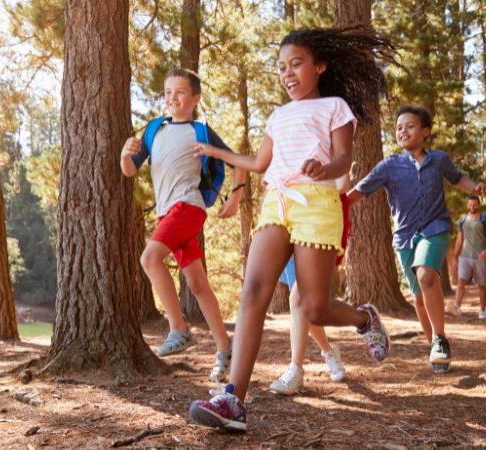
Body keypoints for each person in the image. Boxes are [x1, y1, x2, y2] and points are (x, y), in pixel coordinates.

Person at [187, 26, 397, 432]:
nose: (287, 73)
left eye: (296, 64)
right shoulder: (278, 115)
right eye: (281, 67)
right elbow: (262, 162)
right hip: (277, 202)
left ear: (319, 66)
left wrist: (324, 169)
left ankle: (363, 319)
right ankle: (233, 399)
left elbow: (343, 160)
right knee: (254, 291)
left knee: (314, 307)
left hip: (317, 205)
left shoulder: (336, 107)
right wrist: (218, 152)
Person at [119, 68, 245, 382]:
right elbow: (129, 171)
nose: (172, 98)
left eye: (180, 92)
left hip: (188, 207)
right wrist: (124, 153)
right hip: (168, 214)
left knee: (149, 258)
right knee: (198, 284)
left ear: (195, 98)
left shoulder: (201, 129)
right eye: (168, 92)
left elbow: (238, 162)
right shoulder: (154, 130)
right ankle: (225, 348)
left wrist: (236, 197)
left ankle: (178, 329)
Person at [348, 104, 486, 375]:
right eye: (399, 127)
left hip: (435, 229)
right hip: (404, 238)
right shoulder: (390, 164)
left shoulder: (439, 159)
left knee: (427, 276)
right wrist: (338, 205)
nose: (403, 130)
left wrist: (476, 188)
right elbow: (362, 189)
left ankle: (439, 338)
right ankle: (435, 348)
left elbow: (457, 178)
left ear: (425, 131)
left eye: (410, 126)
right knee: (419, 299)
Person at [269, 175, 351, 395]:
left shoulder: (329, 145)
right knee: (306, 306)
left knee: (298, 298)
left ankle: (295, 370)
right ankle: (329, 352)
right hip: (288, 224)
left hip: (318, 226)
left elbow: (342, 184)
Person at [448, 195, 486, 319]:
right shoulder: (462, 220)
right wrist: (455, 258)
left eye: (474, 205)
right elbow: (459, 241)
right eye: (470, 205)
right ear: (467, 205)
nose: (472, 207)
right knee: (461, 281)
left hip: (480, 257)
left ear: (479, 204)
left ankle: (482, 311)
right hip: (464, 256)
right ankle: (457, 306)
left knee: (481, 285)